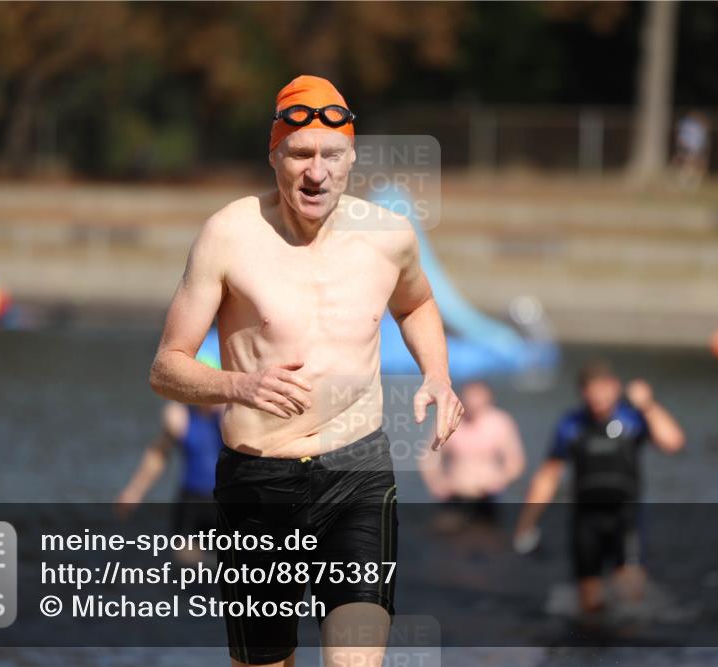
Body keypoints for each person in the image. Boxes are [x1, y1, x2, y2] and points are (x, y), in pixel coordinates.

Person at [148, 75, 463, 667]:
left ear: (351, 159)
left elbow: (416, 303)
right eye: (299, 155)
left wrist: (438, 376)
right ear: (274, 157)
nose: (315, 172)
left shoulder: (388, 236)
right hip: (259, 481)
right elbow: (166, 368)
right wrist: (238, 384)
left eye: (331, 155)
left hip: (359, 469)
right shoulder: (228, 235)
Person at [513, 360, 685, 614]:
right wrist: (526, 523)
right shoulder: (571, 425)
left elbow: (673, 443)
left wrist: (648, 405)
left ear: (615, 388)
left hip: (625, 516)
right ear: (582, 392)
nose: (596, 396)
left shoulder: (633, 418)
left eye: (602, 389)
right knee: (590, 603)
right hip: (586, 519)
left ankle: (629, 646)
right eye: (590, 390)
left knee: (630, 601)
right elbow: (548, 475)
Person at [116, 354, 225, 565]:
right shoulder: (179, 416)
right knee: (186, 569)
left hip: (225, 503)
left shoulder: (230, 414)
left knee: (226, 574)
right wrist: (134, 491)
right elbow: (158, 455)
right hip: (191, 501)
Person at [420, 381, 525, 526]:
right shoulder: (450, 421)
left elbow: (516, 462)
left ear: (489, 399)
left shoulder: (500, 422)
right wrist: (436, 482)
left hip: (488, 495)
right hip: (455, 493)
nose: (474, 403)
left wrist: (501, 479)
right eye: (470, 398)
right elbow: (429, 456)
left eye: (478, 398)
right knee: (447, 539)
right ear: (462, 398)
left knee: (490, 538)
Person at [672, 110, 710, 190]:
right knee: (686, 164)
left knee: (693, 165)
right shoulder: (687, 124)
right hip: (688, 147)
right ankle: (684, 181)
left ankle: (691, 182)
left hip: (694, 148)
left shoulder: (698, 126)